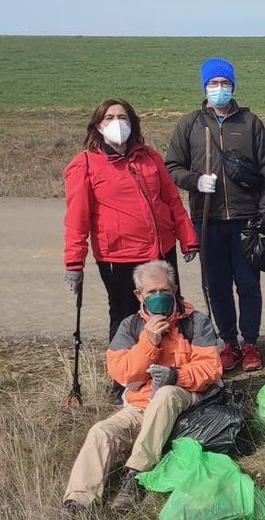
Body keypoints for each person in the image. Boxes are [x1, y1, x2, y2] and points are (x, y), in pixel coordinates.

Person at [62, 259, 222, 516]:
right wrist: (149, 342)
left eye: (165, 291)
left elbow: (211, 370)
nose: (159, 296)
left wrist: (175, 375)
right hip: (140, 406)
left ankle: (135, 474)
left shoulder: (197, 322)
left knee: (167, 394)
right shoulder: (130, 326)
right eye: (152, 292)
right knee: (101, 431)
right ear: (139, 295)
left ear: (175, 289)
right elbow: (122, 373)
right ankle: (78, 502)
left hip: (186, 402)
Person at [165, 57, 265, 372]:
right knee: (216, 286)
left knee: (248, 284)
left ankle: (251, 343)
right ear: (204, 87)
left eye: (224, 83)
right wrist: (194, 181)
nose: (219, 89)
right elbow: (172, 166)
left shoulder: (250, 123)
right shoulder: (189, 124)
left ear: (233, 86)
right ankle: (228, 343)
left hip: (246, 219)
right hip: (208, 221)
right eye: (213, 84)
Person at [63, 98, 197, 343]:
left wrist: (188, 238)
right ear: (98, 126)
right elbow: (76, 218)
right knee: (127, 316)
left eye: (123, 117)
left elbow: (172, 201)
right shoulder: (85, 164)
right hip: (120, 257)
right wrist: (74, 262)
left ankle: (170, 369)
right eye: (110, 118)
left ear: (132, 124)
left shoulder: (149, 157)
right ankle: (126, 375)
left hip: (160, 250)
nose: (117, 123)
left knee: (168, 310)